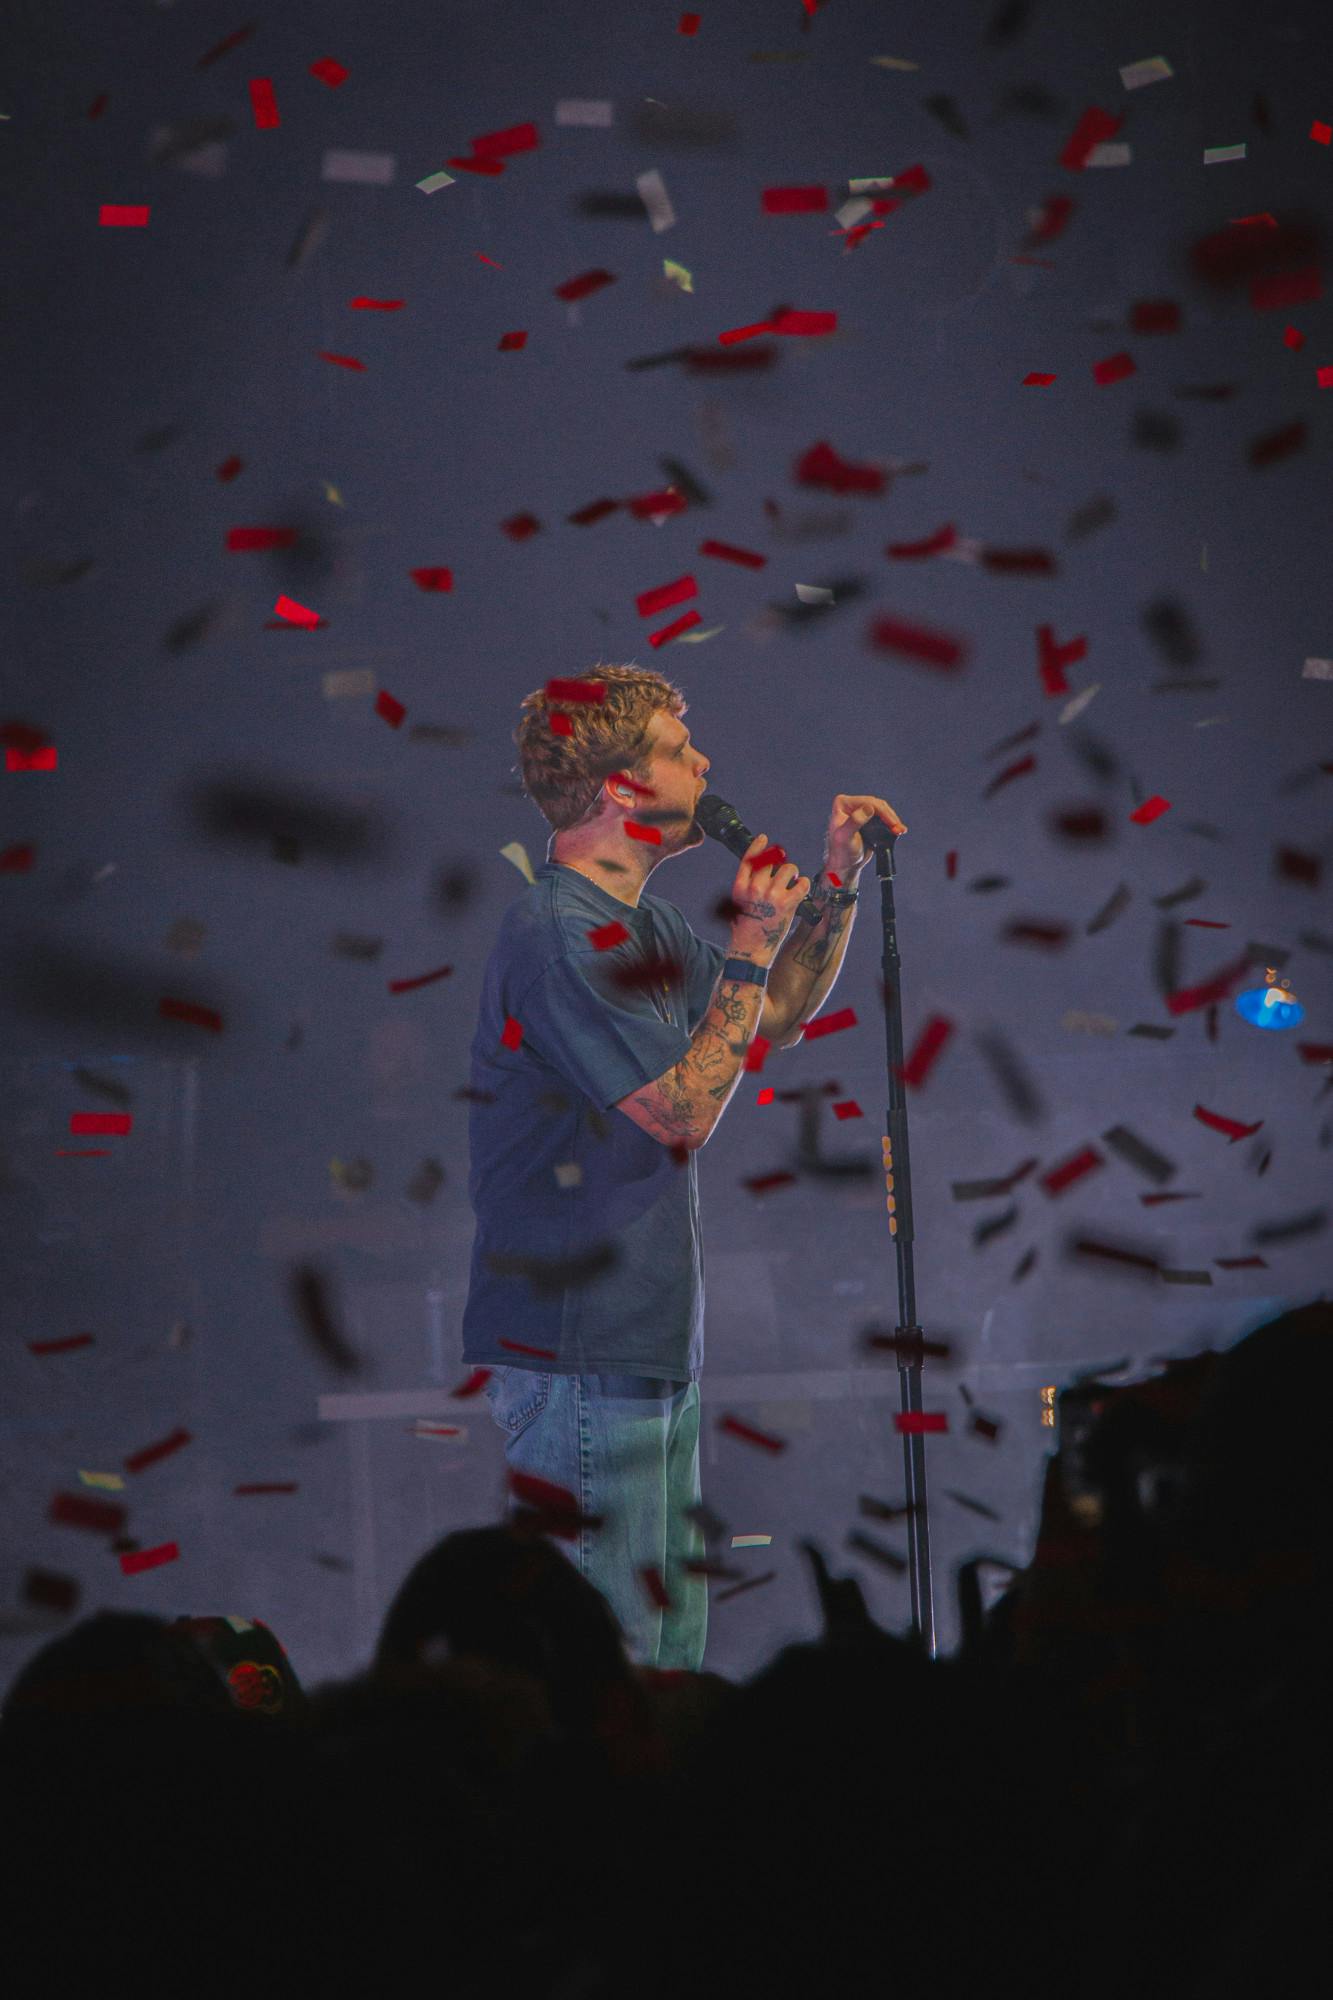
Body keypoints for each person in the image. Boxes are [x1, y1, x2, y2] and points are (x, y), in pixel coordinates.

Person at [461, 663, 905, 1670]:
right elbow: (677, 1111)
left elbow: (774, 1019)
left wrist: (831, 881)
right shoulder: (556, 931)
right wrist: (749, 945)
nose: (703, 762)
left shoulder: (646, 927)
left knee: (662, 1664)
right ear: (622, 787)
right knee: (611, 1670)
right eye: (675, 748)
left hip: (643, 1342)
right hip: (577, 1350)